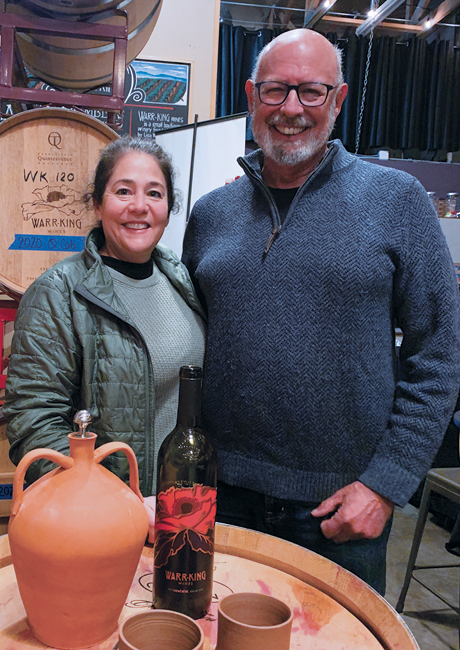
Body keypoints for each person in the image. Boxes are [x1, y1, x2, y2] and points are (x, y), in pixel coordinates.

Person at [181, 28, 460, 595]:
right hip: (221, 497)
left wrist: (386, 484)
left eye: (311, 92)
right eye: (276, 91)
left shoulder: (397, 200)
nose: (291, 109)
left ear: (339, 98)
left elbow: (440, 355)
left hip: (339, 511)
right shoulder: (212, 214)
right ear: (251, 94)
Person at [4, 136, 205, 503]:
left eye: (155, 194)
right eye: (123, 191)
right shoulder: (58, 291)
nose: (139, 207)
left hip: (183, 506)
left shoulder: (181, 280)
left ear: (169, 207)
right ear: (97, 203)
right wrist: (113, 504)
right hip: (103, 518)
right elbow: (33, 423)